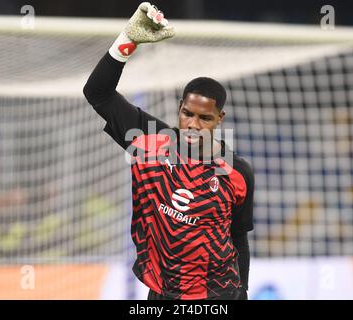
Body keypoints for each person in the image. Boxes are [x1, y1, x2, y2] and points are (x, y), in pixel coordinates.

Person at [83, 2, 254, 300]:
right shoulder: (151, 140)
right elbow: (97, 93)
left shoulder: (237, 172)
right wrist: (127, 40)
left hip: (218, 295)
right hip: (163, 292)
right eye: (188, 114)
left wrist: (244, 290)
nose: (193, 124)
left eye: (204, 118)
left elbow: (238, 237)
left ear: (219, 119)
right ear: (179, 108)